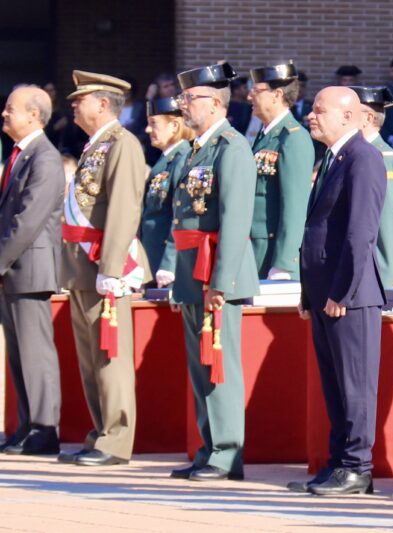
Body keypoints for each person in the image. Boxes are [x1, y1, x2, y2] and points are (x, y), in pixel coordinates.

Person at [289, 86, 386, 496]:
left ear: (348, 116)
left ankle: (357, 467)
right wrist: (310, 292)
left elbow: (359, 232)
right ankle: (337, 463)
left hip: (350, 296)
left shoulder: (363, 159)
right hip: (326, 292)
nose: (311, 116)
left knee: (354, 384)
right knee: (334, 385)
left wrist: (341, 291)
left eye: (319, 110)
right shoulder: (334, 157)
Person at [168, 62, 259, 481]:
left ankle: (227, 453)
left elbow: (236, 218)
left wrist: (221, 282)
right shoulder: (196, 149)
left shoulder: (232, 147)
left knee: (219, 365)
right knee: (199, 367)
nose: (184, 105)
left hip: (218, 272)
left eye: (192, 98)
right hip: (193, 269)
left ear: (217, 103)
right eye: (184, 97)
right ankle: (208, 447)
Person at [59, 71, 150, 466]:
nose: (73, 106)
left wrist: (111, 267)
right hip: (81, 266)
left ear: (102, 103)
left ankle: (116, 440)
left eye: (80, 99)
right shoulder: (95, 145)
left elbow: (125, 207)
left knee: (110, 357)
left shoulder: (122, 143)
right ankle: (100, 433)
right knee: (90, 358)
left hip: (104, 264)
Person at [0, 85, 64, 456]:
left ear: (34, 116)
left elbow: (27, 221)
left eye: (11, 109)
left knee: (35, 351)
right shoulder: (20, 155)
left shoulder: (45, 158)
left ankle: (44, 428)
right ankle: (26, 425)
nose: (4, 114)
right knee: (19, 354)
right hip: (14, 270)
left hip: (30, 268)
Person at [247, 60, 314, 280]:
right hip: (255, 248)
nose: (249, 97)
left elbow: (295, 206)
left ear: (276, 95)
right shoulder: (265, 136)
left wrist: (284, 262)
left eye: (256, 91)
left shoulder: (292, 137)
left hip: (271, 252)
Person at [352, 86, 393, 290]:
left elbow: (389, 223)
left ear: (367, 118)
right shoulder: (355, 154)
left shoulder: (383, 157)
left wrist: (387, 274)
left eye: (350, 112)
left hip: (375, 279)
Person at [140, 96, 193, 284]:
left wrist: (169, 263)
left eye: (154, 124)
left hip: (165, 263)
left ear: (175, 126)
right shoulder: (165, 160)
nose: (148, 130)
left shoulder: (182, 159)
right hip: (152, 257)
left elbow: (179, 215)